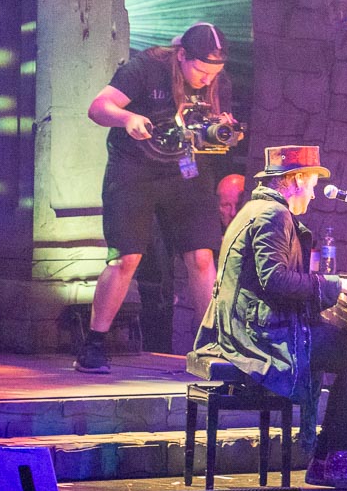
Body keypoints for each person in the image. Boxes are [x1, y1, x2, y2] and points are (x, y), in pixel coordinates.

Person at [195, 143, 347, 486]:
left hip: (247, 327)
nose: (314, 194)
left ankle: (331, 458)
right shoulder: (273, 215)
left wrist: (326, 290)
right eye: (312, 184)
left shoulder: (255, 209)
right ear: (297, 179)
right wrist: (331, 287)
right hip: (257, 337)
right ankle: (335, 459)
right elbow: (274, 279)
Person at [75, 23, 233, 373]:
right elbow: (98, 107)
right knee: (126, 258)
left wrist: (221, 130)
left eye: (215, 73)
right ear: (182, 55)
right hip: (135, 168)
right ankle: (94, 344)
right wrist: (127, 117)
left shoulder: (217, 83)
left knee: (202, 255)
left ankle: (212, 346)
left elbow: (213, 128)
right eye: (202, 71)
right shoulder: (146, 69)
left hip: (186, 169)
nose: (207, 80)